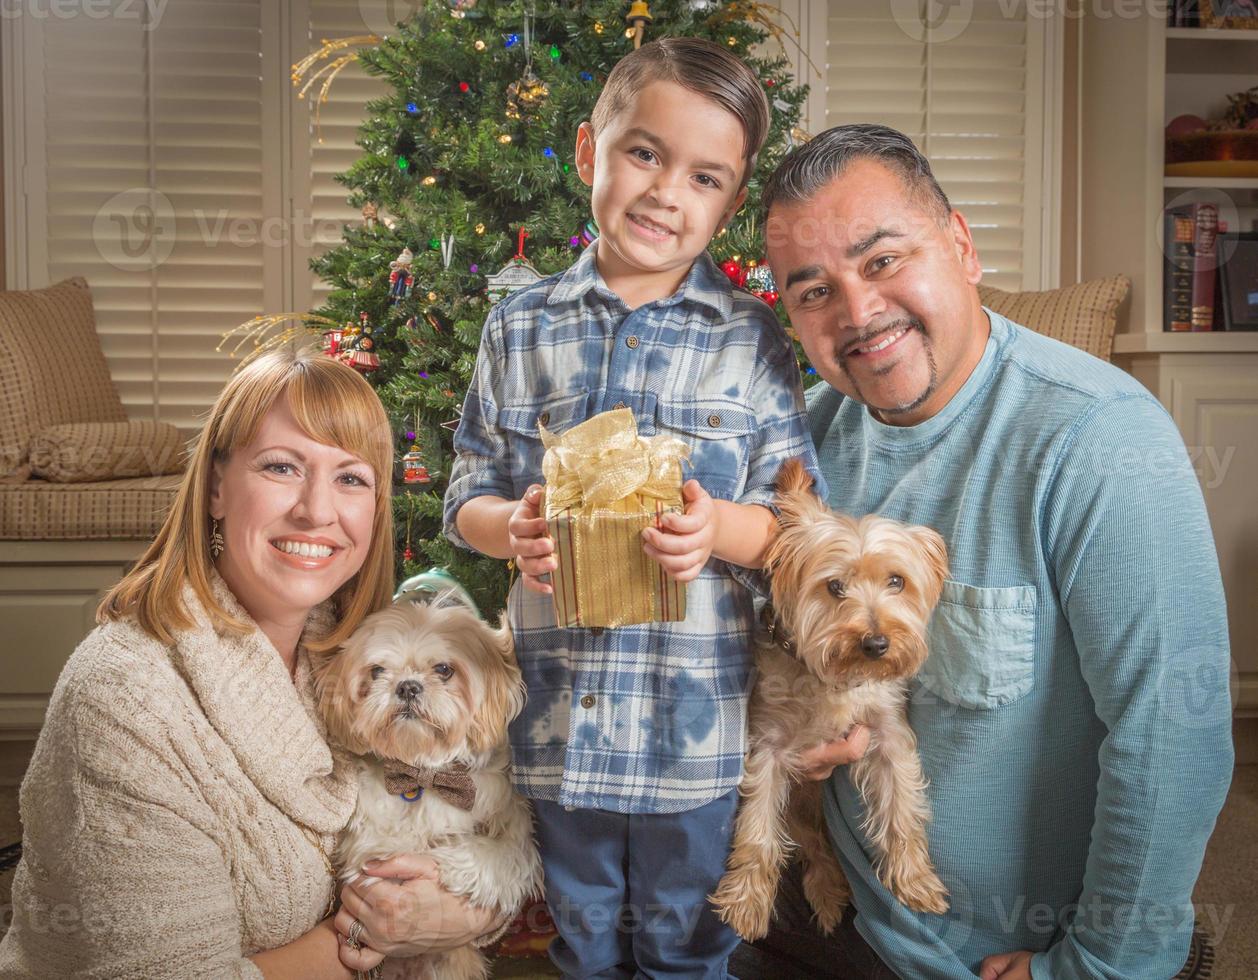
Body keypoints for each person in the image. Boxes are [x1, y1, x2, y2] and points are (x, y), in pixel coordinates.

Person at [739, 123, 1234, 979]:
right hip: (843, 898)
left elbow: (1174, 737)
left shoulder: (1099, 441)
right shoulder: (805, 446)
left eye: (884, 260)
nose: (859, 313)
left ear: (961, 246)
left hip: (1004, 951)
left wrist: (1095, 969)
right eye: (814, 290)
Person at [443, 37, 823, 979]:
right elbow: (468, 490)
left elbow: (795, 525)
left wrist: (718, 532)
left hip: (689, 733)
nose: (665, 192)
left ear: (730, 206)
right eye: (644, 154)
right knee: (582, 936)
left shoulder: (754, 342)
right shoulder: (518, 325)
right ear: (589, 153)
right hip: (557, 721)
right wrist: (510, 527)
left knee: (683, 945)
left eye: (704, 177)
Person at [0, 348, 504, 979]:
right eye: (281, 467)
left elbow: (475, 835)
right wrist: (365, 935)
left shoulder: (355, 658)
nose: (317, 511)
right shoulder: (125, 698)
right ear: (215, 487)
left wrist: (465, 914)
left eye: (351, 478)